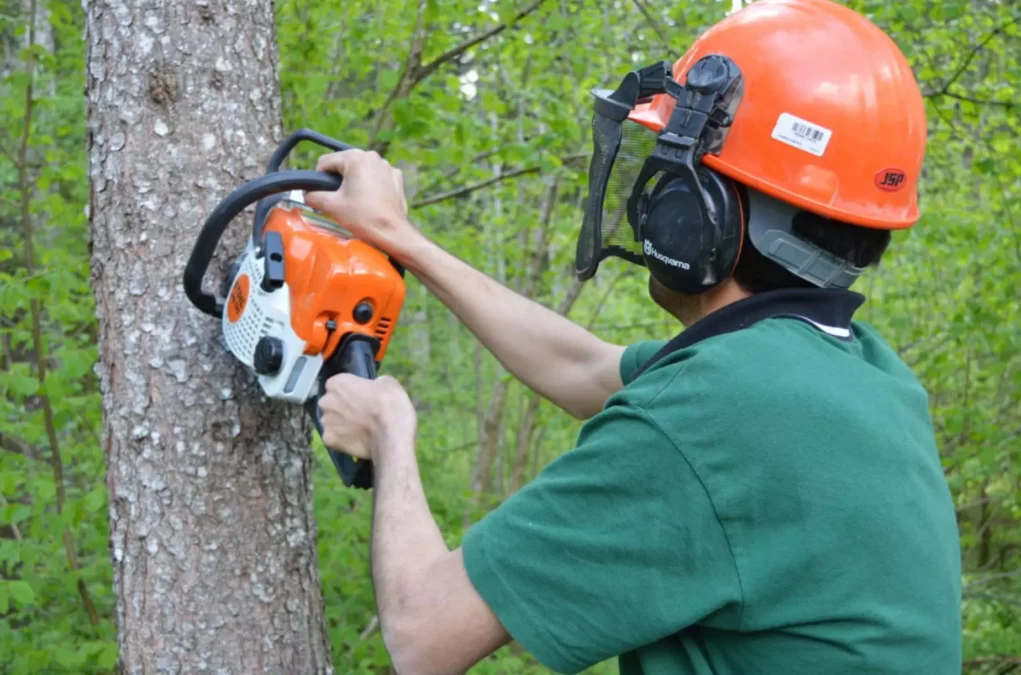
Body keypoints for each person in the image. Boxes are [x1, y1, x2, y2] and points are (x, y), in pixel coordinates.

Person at [306, 0, 962, 673]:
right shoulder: (856, 368)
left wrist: (389, 429)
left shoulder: (712, 415)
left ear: (697, 216)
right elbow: (583, 367)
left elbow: (423, 633)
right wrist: (399, 238)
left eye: (668, 175)